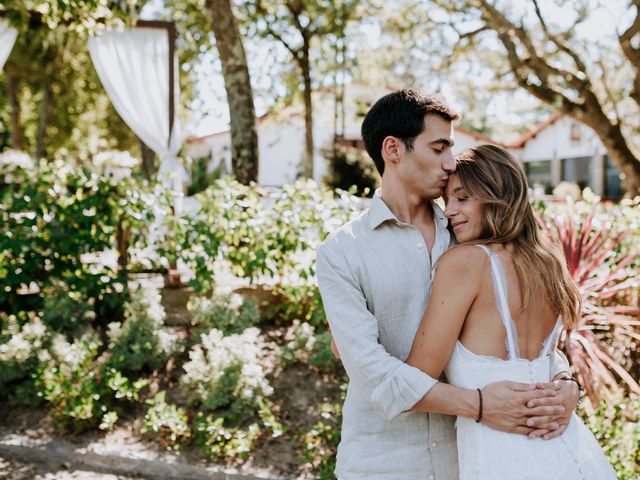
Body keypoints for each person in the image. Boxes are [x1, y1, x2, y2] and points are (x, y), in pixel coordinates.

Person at [315, 89, 580, 480]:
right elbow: (374, 375)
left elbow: (513, 331)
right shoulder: (343, 252)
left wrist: (564, 381)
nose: (450, 161)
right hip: (383, 463)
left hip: (472, 459)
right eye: (438, 148)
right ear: (393, 150)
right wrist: (478, 404)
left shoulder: (470, 231)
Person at [405, 144, 615, 479]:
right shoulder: (547, 263)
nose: (449, 211)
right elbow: (545, 362)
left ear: (496, 196)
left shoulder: (466, 262)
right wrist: (566, 382)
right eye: (447, 200)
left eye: (462, 197)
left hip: (504, 460)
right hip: (573, 453)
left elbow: (412, 384)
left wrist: (355, 347)